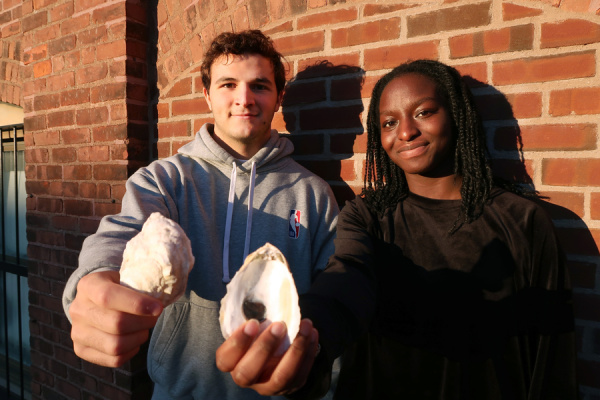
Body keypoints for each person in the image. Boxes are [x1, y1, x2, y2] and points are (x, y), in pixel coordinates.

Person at [216, 59, 578, 399]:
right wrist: (308, 338)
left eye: (423, 112)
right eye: (389, 122)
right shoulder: (369, 215)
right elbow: (346, 280)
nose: (405, 131)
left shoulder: (522, 220)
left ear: (456, 116)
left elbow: (551, 351)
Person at [62, 29, 338, 399]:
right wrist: (95, 280)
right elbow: (124, 232)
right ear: (206, 93)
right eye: (228, 85)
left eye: (259, 86)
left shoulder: (314, 193)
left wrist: (317, 362)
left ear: (278, 98)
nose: (244, 99)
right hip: (180, 391)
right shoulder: (165, 178)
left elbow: (334, 294)